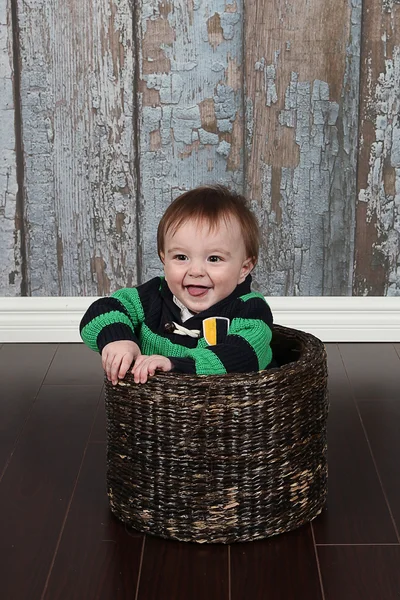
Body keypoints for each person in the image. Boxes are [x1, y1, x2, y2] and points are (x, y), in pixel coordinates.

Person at [80, 184, 275, 384]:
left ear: (244, 268)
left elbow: (243, 357)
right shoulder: (152, 296)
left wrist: (176, 365)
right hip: (154, 410)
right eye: (181, 257)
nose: (196, 271)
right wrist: (119, 339)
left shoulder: (250, 310)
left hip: (228, 410)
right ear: (164, 258)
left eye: (214, 259)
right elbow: (103, 310)